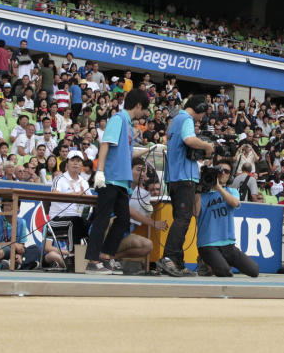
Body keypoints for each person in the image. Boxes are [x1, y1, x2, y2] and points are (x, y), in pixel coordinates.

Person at [85, 89, 152, 274]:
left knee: (123, 220)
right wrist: (100, 172)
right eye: (144, 109)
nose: (143, 113)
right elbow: (105, 143)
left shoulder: (129, 125)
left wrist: (148, 150)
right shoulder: (118, 119)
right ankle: (92, 260)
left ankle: (106, 256)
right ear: (138, 105)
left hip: (123, 181)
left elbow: (127, 154)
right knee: (102, 219)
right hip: (111, 178)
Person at [159, 94, 214, 277]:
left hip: (173, 177)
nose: (202, 118)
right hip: (184, 177)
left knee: (180, 219)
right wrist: (207, 147)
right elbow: (190, 140)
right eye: (202, 114)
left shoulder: (174, 121)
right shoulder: (187, 119)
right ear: (198, 109)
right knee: (183, 219)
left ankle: (178, 262)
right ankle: (168, 258)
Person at [194, 164, 259, 277]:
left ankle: (215, 261)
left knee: (254, 270)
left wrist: (218, 187)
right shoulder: (201, 195)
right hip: (207, 244)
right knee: (224, 272)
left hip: (228, 244)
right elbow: (195, 212)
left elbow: (235, 203)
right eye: (220, 170)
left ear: (230, 176)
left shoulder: (232, 191)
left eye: (226, 171)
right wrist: (198, 189)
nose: (223, 173)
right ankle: (206, 261)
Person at [49, 150, 90, 245]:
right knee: (76, 222)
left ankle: (92, 256)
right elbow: (54, 194)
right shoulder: (59, 179)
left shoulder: (84, 181)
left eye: (79, 161)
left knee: (96, 221)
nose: (76, 163)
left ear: (82, 165)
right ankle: (74, 256)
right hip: (57, 219)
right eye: (73, 160)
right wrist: (74, 194)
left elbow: (90, 200)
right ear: (67, 163)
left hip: (79, 217)